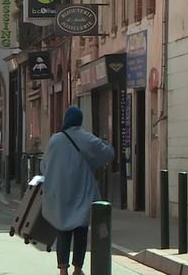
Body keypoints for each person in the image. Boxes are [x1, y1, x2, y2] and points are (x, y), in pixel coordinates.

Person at [41, 106, 114, 275]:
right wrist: (106, 143)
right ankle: (77, 268)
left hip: (60, 192)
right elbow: (107, 154)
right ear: (79, 120)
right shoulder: (85, 138)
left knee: (63, 230)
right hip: (81, 192)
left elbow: (44, 165)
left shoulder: (55, 140)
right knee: (81, 230)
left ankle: (62, 269)